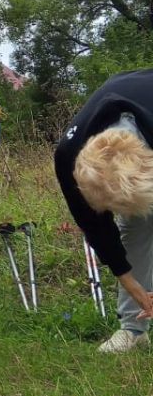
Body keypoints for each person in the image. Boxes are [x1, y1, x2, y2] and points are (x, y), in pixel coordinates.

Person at [54, 68, 153, 353]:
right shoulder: (68, 156)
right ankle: (134, 331)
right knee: (135, 228)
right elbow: (96, 228)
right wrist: (128, 279)